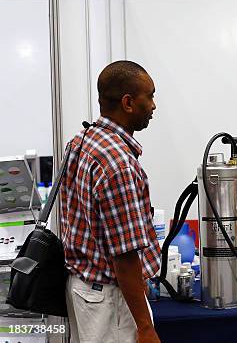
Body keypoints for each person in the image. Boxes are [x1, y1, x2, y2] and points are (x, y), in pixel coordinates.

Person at [59, 60, 161, 343]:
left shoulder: (82, 140)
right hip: (110, 302)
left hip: (83, 291)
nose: (153, 106)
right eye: (150, 96)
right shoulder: (118, 163)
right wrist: (145, 327)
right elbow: (125, 255)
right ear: (128, 103)